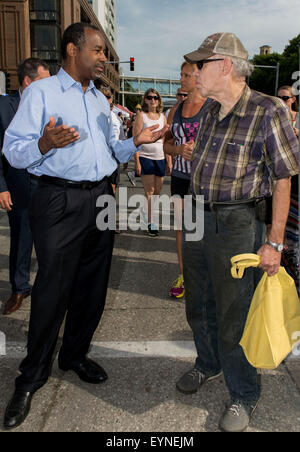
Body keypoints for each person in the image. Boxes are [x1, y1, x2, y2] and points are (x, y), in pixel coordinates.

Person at [2, 22, 168, 430]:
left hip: (101, 196)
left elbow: (111, 150)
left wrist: (136, 141)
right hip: (58, 198)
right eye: (97, 51)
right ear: (74, 49)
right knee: (52, 289)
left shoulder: (99, 100)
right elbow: (12, 149)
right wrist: (45, 144)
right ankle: (30, 378)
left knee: (92, 286)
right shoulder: (40, 93)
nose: (103, 59)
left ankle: (74, 355)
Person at [176, 32, 298, 432]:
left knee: (233, 313)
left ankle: (244, 392)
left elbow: (283, 179)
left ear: (225, 66)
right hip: (197, 214)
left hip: (237, 222)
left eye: (201, 64)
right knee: (199, 301)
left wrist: (274, 243)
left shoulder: (269, 110)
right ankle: (207, 364)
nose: (193, 71)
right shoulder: (210, 109)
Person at [0, 58, 50, 316]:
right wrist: (1, 187)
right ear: (28, 82)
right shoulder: (4, 106)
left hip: (48, 186)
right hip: (18, 186)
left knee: (48, 240)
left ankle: (47, 288)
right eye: (44, 81)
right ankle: (19, 288)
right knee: (21, 239)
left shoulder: (48, 106)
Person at [164, 62, 206, 299]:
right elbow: (166, 144)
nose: (181, 79)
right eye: (181, 74)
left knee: (201, 228)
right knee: (181, 228)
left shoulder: (212, 107)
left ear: (198, 77)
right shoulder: (175, 110)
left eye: (185, 75)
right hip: (180, 177)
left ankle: (203, 276)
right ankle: (184, 275)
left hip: (204, 180)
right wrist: (178, 150)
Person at [133, 89, 167, 237]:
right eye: (150, 97)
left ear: (159, 100)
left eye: (155, 97)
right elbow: (135, 140)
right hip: (145, 157)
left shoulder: (162, 117)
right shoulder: (141, 116)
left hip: (160, 157)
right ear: (145, 100)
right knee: (150, 191)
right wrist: (137, 162)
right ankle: (150, 222)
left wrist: (169, 160)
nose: (153, 100)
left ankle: (147, 212)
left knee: (158, 191)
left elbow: (165, 140)